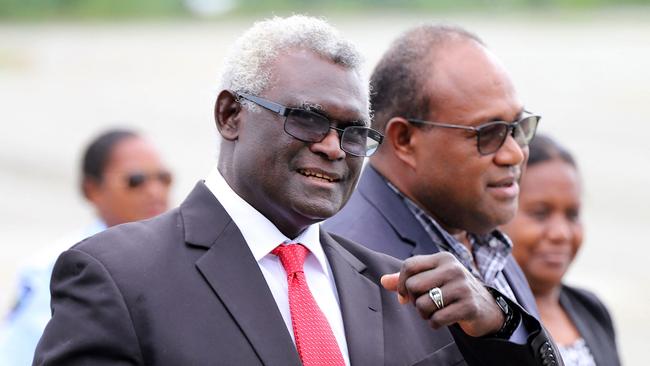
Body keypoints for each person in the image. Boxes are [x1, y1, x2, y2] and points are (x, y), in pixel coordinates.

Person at [34, 16, 560, 366]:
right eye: (307, 120)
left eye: (354, 132)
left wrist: (500, 324)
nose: (334, 147)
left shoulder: (398, 288)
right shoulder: (119, 276)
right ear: (230, 114)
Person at [325, 22, 551, 354]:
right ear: (404, 140)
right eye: (488, 133)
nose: (515, 153)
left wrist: (502, 319)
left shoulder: (480, 234)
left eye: (518, 127)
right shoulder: (351, 261)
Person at [0, 129, 172, 366]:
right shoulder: (55, 268)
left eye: (163, 178)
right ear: (92, 189)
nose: (155, 192)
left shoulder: (181, 258)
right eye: (136, 181)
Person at [500, 134, 621, 366]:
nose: (561, 233)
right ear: (498, 213)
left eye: (572, 215)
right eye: (540, 213)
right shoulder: (488, 319)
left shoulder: (592, 310)